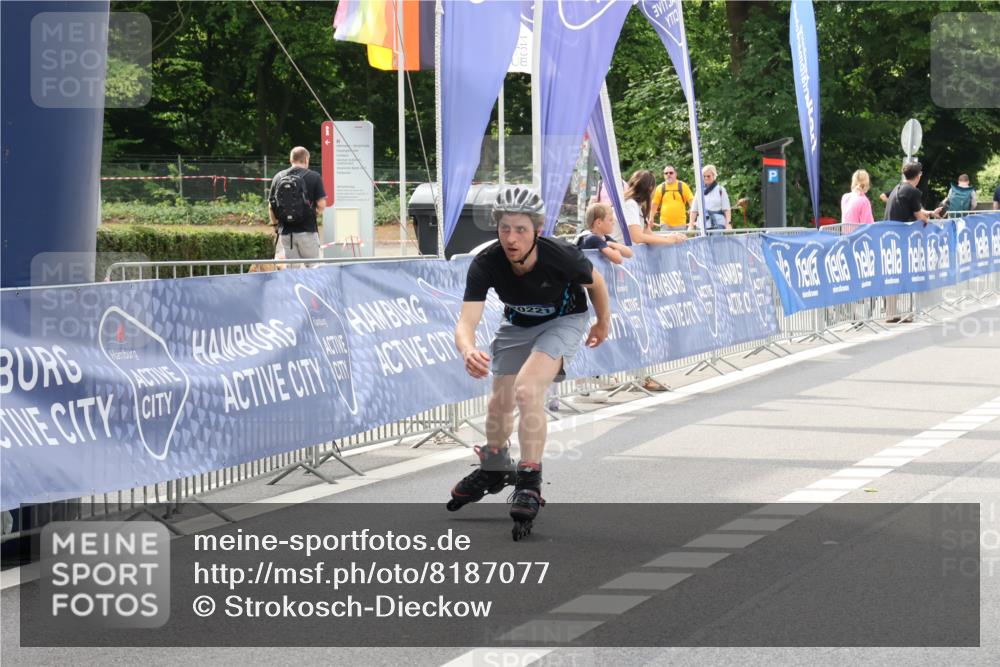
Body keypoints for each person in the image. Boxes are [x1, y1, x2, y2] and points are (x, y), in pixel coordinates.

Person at [448, 185, 611, 540]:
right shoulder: (486, 262)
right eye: (504, 228)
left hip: (564, 320)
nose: (511, 238)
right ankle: (493, 466)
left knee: (526, 390)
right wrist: (467, 349)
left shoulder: (561, 255)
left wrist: (603, 322)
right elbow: (466, 322)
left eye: (520, 229)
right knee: (499, 401)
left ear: (537, 230)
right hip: (518, 321)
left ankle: (529, 479)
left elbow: (596, 284)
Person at [882, 161, 943, 323]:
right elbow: (919, 217)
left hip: (889, 239)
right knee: (907, 275)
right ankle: (909, 313)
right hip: (903, 241)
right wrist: (927, 219)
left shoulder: (899, 188)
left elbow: (916, 210)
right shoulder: (913, 192)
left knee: (892, 275)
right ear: (919, 175)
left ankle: (891, 313)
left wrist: (930, 212)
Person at [268, 146, 326, 265]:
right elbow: (321, 204)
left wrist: (275, 225)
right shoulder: (314, 176)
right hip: (307, 230)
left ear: (291, 160)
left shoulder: (278, 177)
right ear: (306, 159)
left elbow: (270, 206)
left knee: (292, 271)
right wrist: (315, 214)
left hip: (286, 233)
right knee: (313, 269)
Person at [622, 170, 687, 247]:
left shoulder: (638, 206)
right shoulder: (630, 204)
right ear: (650, 188)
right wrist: (667, 240)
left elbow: (648, 234)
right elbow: (636, 237)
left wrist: (671, 236)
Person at [689, 164, 732, 231]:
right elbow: (694, 210)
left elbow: (727, 209)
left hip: (718, 224)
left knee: (718, 242)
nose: (706, 178)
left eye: (708, 176)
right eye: (704, 176)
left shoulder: (720, 190)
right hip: (702, 225)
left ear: (714, 176)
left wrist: (728, 224)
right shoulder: (699, 191)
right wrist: (691, 225)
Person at [650, 165, 694, 230]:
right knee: (665, 240)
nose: (668, 175)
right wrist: (651, 217)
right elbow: (654, 204)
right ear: (664, 175)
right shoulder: (660, 188)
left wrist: (692, 211)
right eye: (666, 173)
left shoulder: (683, 186)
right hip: (665, 224)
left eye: (671, 173)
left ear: (675, 174)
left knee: (681, 240)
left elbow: (691, 201)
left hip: (680, 223)